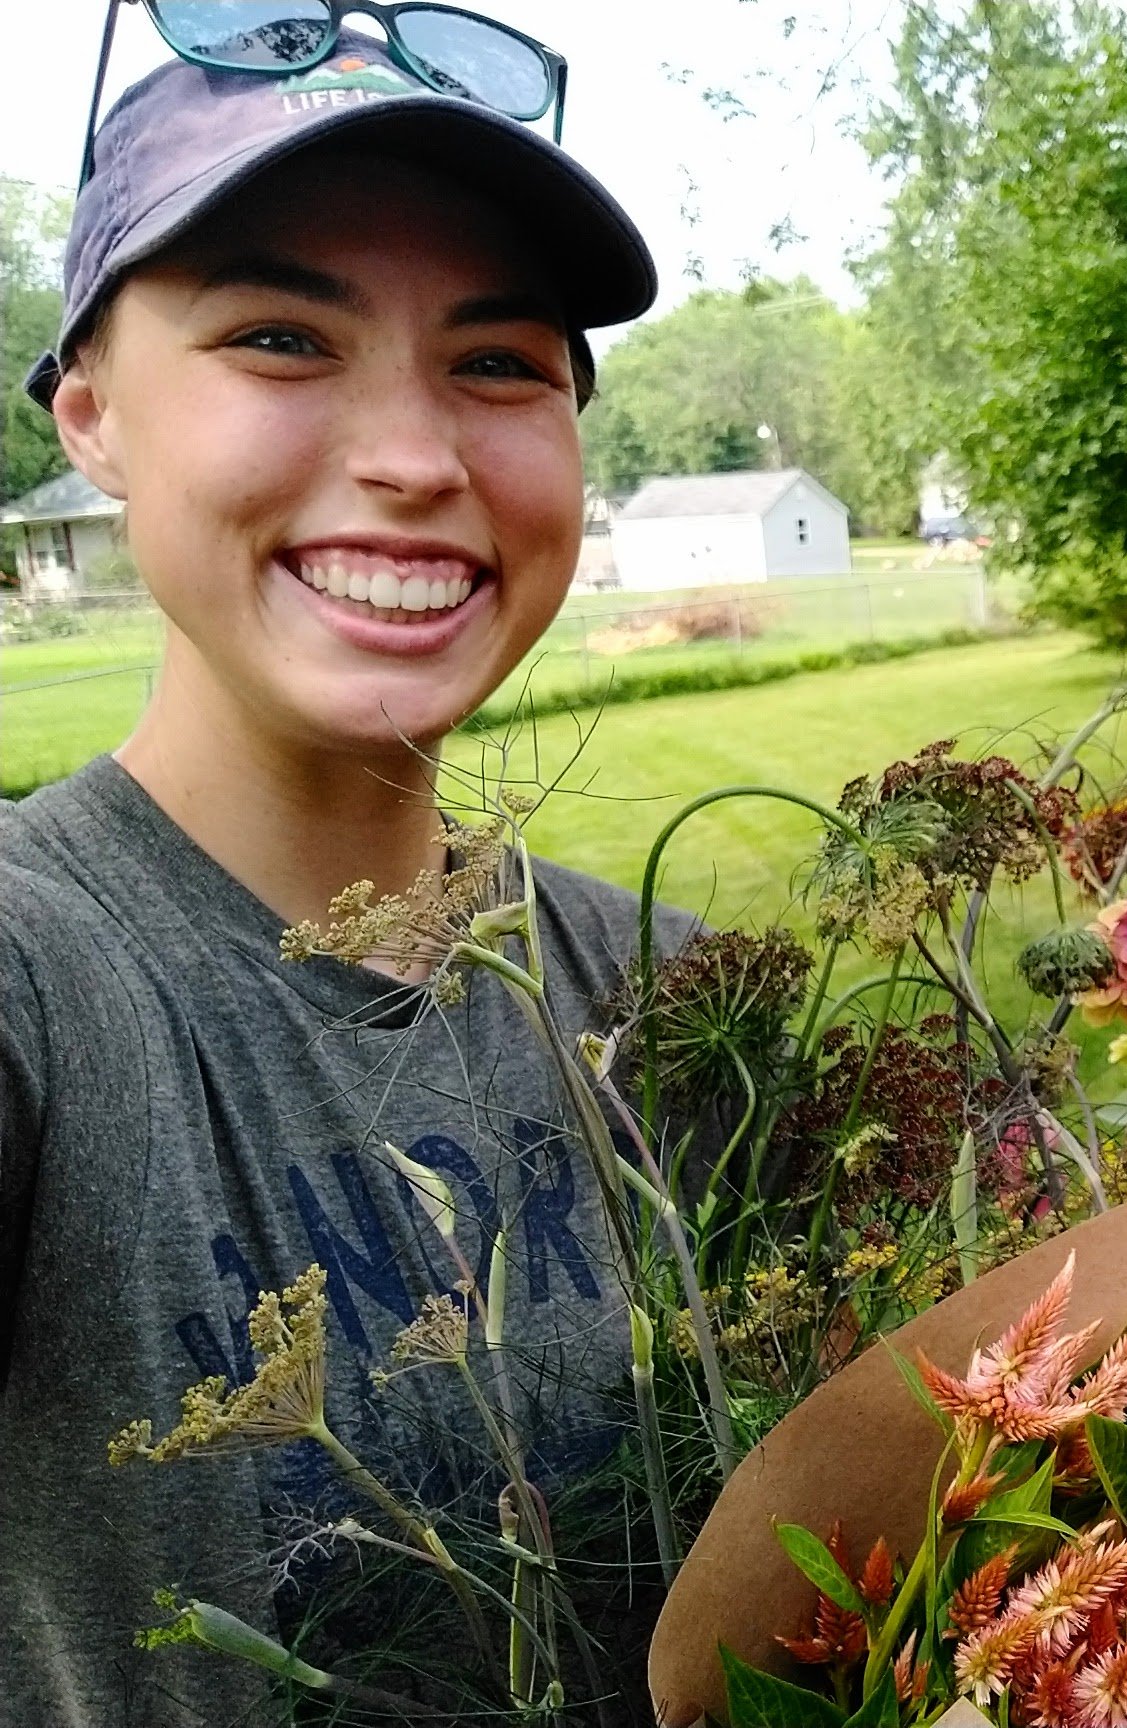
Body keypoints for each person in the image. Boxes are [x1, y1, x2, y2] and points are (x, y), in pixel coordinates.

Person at [0, 12, 689, 1722]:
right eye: (281, 337)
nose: (414, 459)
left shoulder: (672, 991)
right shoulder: (39, 978)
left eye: (499, 363)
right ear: (91, 415)